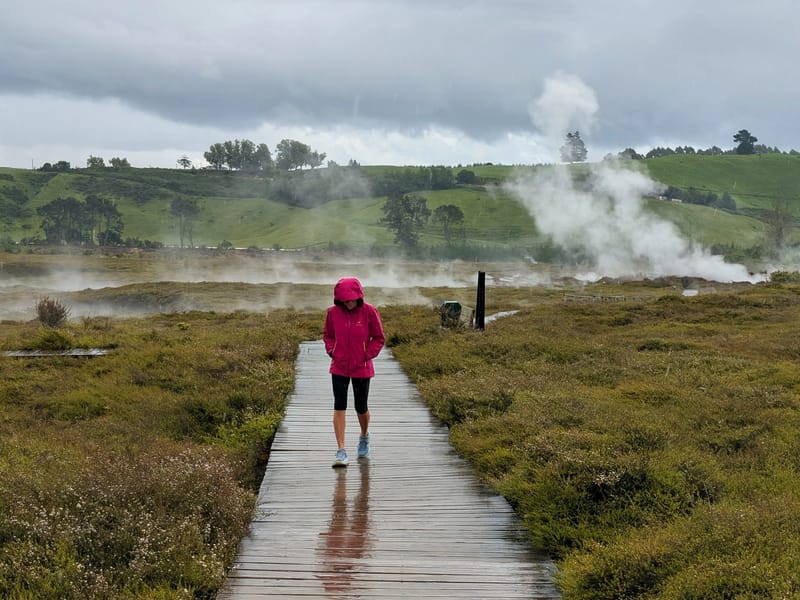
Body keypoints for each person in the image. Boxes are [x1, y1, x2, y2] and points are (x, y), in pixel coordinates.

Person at [323, 277, 385, 467]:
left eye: (351, 299)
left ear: (359, 297)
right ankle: (341, 450)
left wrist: (368, 355)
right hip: (339, 366)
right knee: (339, 406)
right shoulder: (333, 313)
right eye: (345, 300)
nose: (349, 303)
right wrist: (332, 351)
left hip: (362, 367)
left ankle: (364, 435)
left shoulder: (369, 312)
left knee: (361, 407)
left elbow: (379, 337)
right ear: (339, 299)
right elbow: (328, 335)